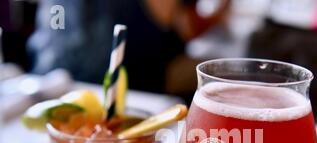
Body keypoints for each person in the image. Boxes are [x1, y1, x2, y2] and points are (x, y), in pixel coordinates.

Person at [28, 0, 228, 93]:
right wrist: (221, 10)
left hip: (56, 75)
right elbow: (188, 27)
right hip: (137, 79)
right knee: (227, 73)